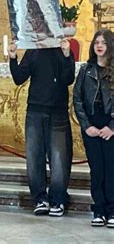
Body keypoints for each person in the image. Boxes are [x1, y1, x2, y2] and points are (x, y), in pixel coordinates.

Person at [9, 37, 74, 217]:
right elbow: (19, 78)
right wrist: (13, 58)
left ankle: (57, 199)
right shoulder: (33, 50)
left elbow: (68, 78)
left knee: (59, 159)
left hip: (58, 110)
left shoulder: (63, 49)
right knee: (34, 157)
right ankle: (40, 199)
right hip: (35, 110)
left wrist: (68, 55)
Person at [73, 29, 114, 227]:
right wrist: (86, 125)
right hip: (91, 126)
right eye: (97, 42)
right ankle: (98, 210)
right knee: (96, 170)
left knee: (111, 170)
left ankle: (112, 210)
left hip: (110, 127)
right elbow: (77, 99)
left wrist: (112, 127)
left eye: (104, 43)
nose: (99, 46)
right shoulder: (85, 69)